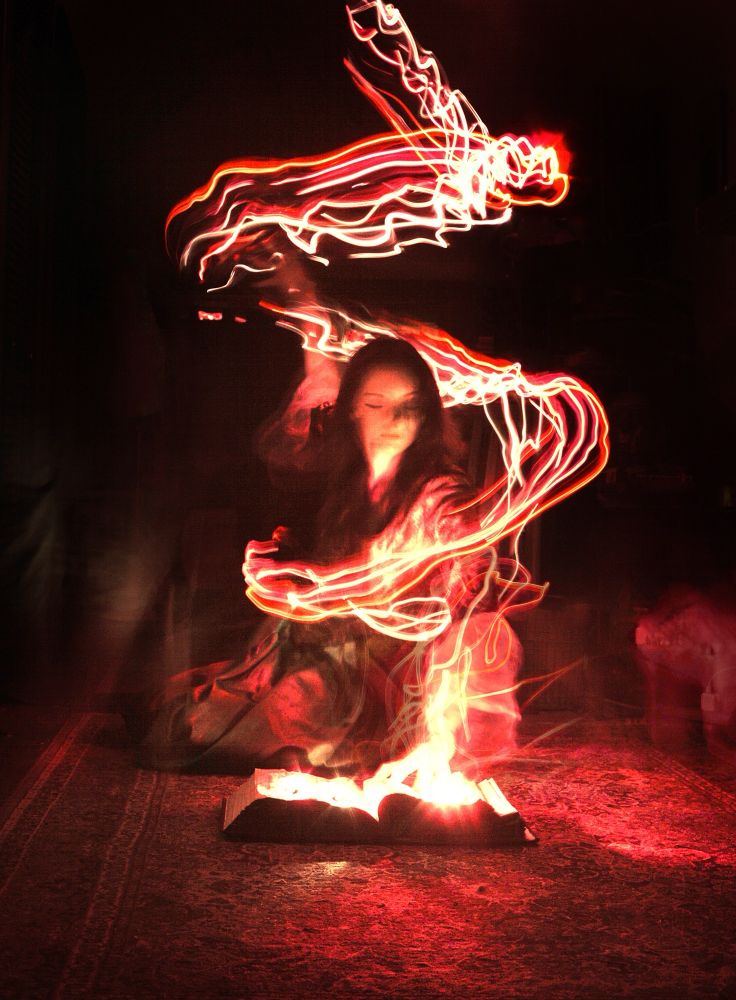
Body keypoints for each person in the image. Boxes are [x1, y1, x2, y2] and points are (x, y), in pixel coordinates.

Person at [133, 336, 522, 776]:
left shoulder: (440, 489)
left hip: (389, 679)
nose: (394, 420)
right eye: (376, 404)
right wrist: (301, 567)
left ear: (426, 412)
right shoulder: (352, 483)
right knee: (178, 713)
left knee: (224, 729)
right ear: (353, 409)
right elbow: (337, 568)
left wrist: (455, 585)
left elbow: (466, 563)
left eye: (408, 406)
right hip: (334, 657)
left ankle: (332, 743)